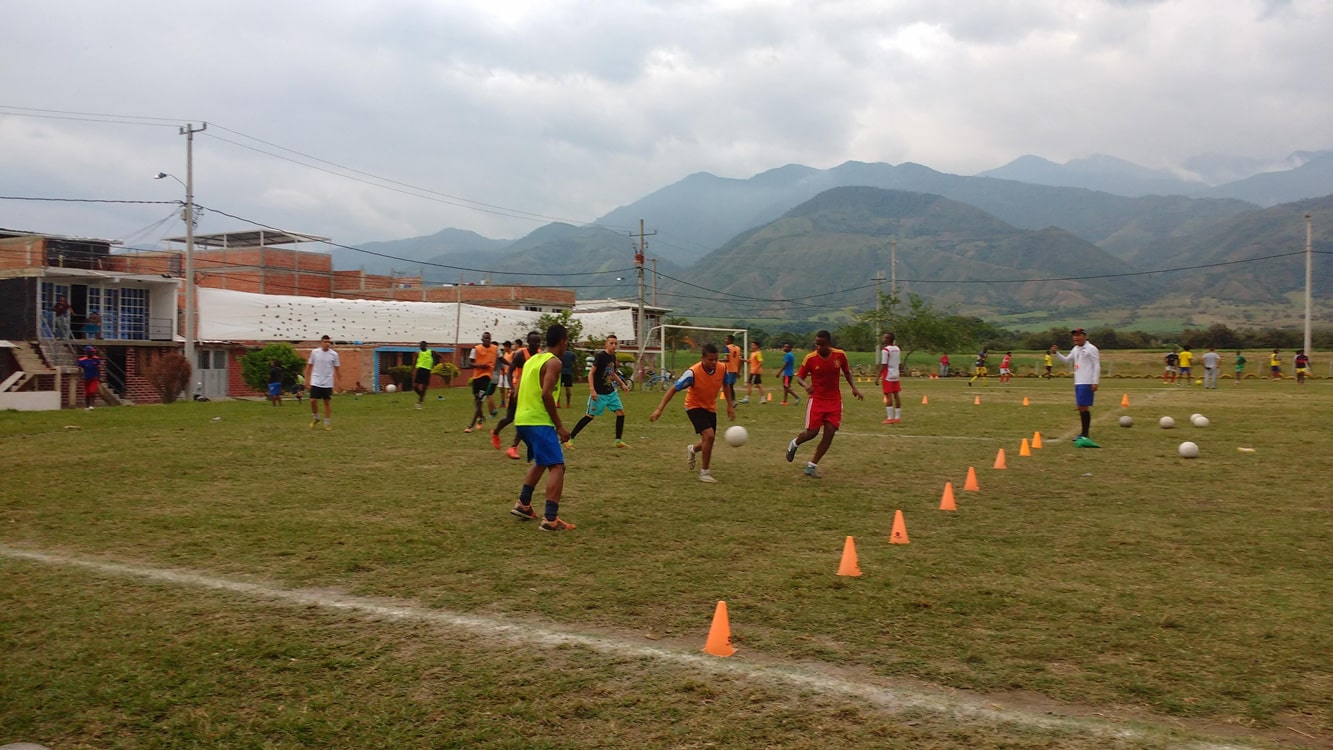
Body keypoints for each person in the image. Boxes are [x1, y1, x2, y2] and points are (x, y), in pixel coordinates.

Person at [508, 324, 575, 531]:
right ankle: (550, 518)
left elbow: (517, 393)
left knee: (542, 461)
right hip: (539, 420)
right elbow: (547, 394)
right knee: (557, 466)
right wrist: (560, 427)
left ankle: (524, 504)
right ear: (563, 341)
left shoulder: (532, 361)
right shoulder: (553, 362)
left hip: (523, 420)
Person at [649, 343, 736, 483]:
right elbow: (673, 389)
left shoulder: (722, 368)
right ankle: (705, 472)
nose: (714, 362)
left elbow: (726, 385)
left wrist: (729, 405)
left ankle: (693, 449)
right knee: (710, 435)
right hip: (693, 406)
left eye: (716, 359)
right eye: (710, 360)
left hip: (710, 407)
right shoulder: (692, 373)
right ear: (702, 358)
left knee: (709, 440)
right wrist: (660, 408)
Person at [784, 330, 863, 478]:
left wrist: (854, 388)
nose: (818, 347)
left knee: (830, 433)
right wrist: (806, 385)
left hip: (834, 401)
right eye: (817, 344)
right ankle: (794, 443)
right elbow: (799, 377)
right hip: (817, 400)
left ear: (829, 344)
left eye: (822, 344)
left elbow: (846, 372)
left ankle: (811, 466)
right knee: (812, 432)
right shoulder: (810, 358)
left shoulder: (840, 355)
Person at [566, 334, 630, 449]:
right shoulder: (601, 356)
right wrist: (592, 390)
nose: (614, 345)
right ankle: (570, 438)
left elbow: (612, 373)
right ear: (606, 344)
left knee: (621, 413)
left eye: (616, 343)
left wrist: (622, 384)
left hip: (610, 392)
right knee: (589, 416)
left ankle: (618, 440)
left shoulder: (613, 357)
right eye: (611, 343)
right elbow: (591, 373)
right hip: (599, 393)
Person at [1050, 327, 1100, 448]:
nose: (1076, 337)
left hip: (1087, 382)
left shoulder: (1091, 349)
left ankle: (1085, 434)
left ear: (1084, 336)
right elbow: (1067, 361)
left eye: (1078, 335)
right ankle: (1083, 433)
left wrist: (1095, 382)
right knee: (1080, 407)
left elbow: (1097, 365)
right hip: (1078, 381)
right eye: (1074, 335)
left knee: (1083, 407)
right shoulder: (1075, 349)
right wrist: (1056, 353)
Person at [493, 331, 540, 457]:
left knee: (525, 419)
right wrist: (512, 388)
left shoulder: (540, 355)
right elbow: (510, 371)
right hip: (517, 389)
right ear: (528, 342)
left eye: (538, 341)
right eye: (534, 341)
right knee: (510, 418)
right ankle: (496, 432)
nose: (537, 344)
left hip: (530, 391)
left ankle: (513, 447)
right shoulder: (520, 354)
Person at [304, 335, 340, 430]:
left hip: (328, 381)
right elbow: (309, 366)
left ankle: (327, 423)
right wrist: (306, 379)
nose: (327, 344)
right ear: (321, 342)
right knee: (312, 400)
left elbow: (337, 369)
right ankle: (316, 418)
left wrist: (339, 382)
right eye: (325, 342)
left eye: (329, 342)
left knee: (327, 403)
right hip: (316, 380)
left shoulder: (334, 354)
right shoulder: (315, 352)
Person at [464, 332, 498, 432]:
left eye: (489, 338)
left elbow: (501, 359)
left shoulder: (495, 349)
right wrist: (480, 365)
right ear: (482, 339)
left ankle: (470, 426)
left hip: (487, 378)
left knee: (479, 401)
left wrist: (512, 365)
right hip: (476, 377)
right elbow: (470, 363)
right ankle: (481, 417)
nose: (487, 340)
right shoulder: (476, 349)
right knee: (476, 401)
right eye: (485, 338)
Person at [879, 332, 903, 424]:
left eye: (884, 337)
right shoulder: (897, 349)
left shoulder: (885, 350)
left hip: (888, 375)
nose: (883, 339)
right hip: (896, 374)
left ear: (888, 339)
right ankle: (897, 417)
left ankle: (889, 418)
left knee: (888, 396)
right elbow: (899, 363)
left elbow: (884, 364)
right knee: (896, 396)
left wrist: (878, 377)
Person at [413, 341, 436, 410]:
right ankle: (421, 396)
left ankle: (419, 402)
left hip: (427, 370)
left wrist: (442, 364)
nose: (421, 347)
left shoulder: (431, 352)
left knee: (424, 387)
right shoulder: (418, 353)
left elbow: (440, 356)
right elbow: (415, 362)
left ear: (426, 346)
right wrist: (413, 370)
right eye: (420, 345)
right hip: (419, 370)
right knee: (415, 386)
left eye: (422, 345)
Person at [742, 340, 766, 405]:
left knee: (751, 384)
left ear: (757, 346)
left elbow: (761, 362)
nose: (752, 346)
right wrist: (742, 360)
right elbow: (749, 361)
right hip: (753, 371)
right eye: (751, 345)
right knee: (756, 384)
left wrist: (756, 370)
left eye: (753, 345)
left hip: (755, 372)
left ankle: (747, 398)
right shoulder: (752, 353)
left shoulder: (758, 353)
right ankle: (762, 398)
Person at [723, 334, 742, 403]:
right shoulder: (738, 348)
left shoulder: (727, 347)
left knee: (728, 386)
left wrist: (718, 360)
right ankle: (732, 401)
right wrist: (738, 371)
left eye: (726, 339)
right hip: (735, 369)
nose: (725, 340)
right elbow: (739, 360)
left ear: (730, 340)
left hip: (729, 369)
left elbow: (727, 359)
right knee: (730, 386)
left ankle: (732, 401)